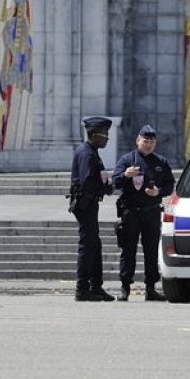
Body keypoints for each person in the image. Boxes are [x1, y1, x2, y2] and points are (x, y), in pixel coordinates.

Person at [112, 124, 175, 302]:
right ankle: (125, 288)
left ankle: (151, 288)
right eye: (145, 141)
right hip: (131, 212)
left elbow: (170, 185)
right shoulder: (127, 160)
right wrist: (125, 175)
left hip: (152, 212)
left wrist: (159, 192)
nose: (148, 145)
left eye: (151, 142)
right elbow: (115, 183)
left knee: (151, 251)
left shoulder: (161, 162)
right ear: (138, 141)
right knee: (128, 250)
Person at [69, 116, 115, 302]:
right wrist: (106, 188)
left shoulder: (90, 151)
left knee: (94, 245)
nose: (107, 138)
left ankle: (95, 286)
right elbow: (88, 181)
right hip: (85, 204)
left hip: (88, 204)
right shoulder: (87, 154)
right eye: (105, 135)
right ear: (95, 135)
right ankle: (82, 289)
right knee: (88, 246)